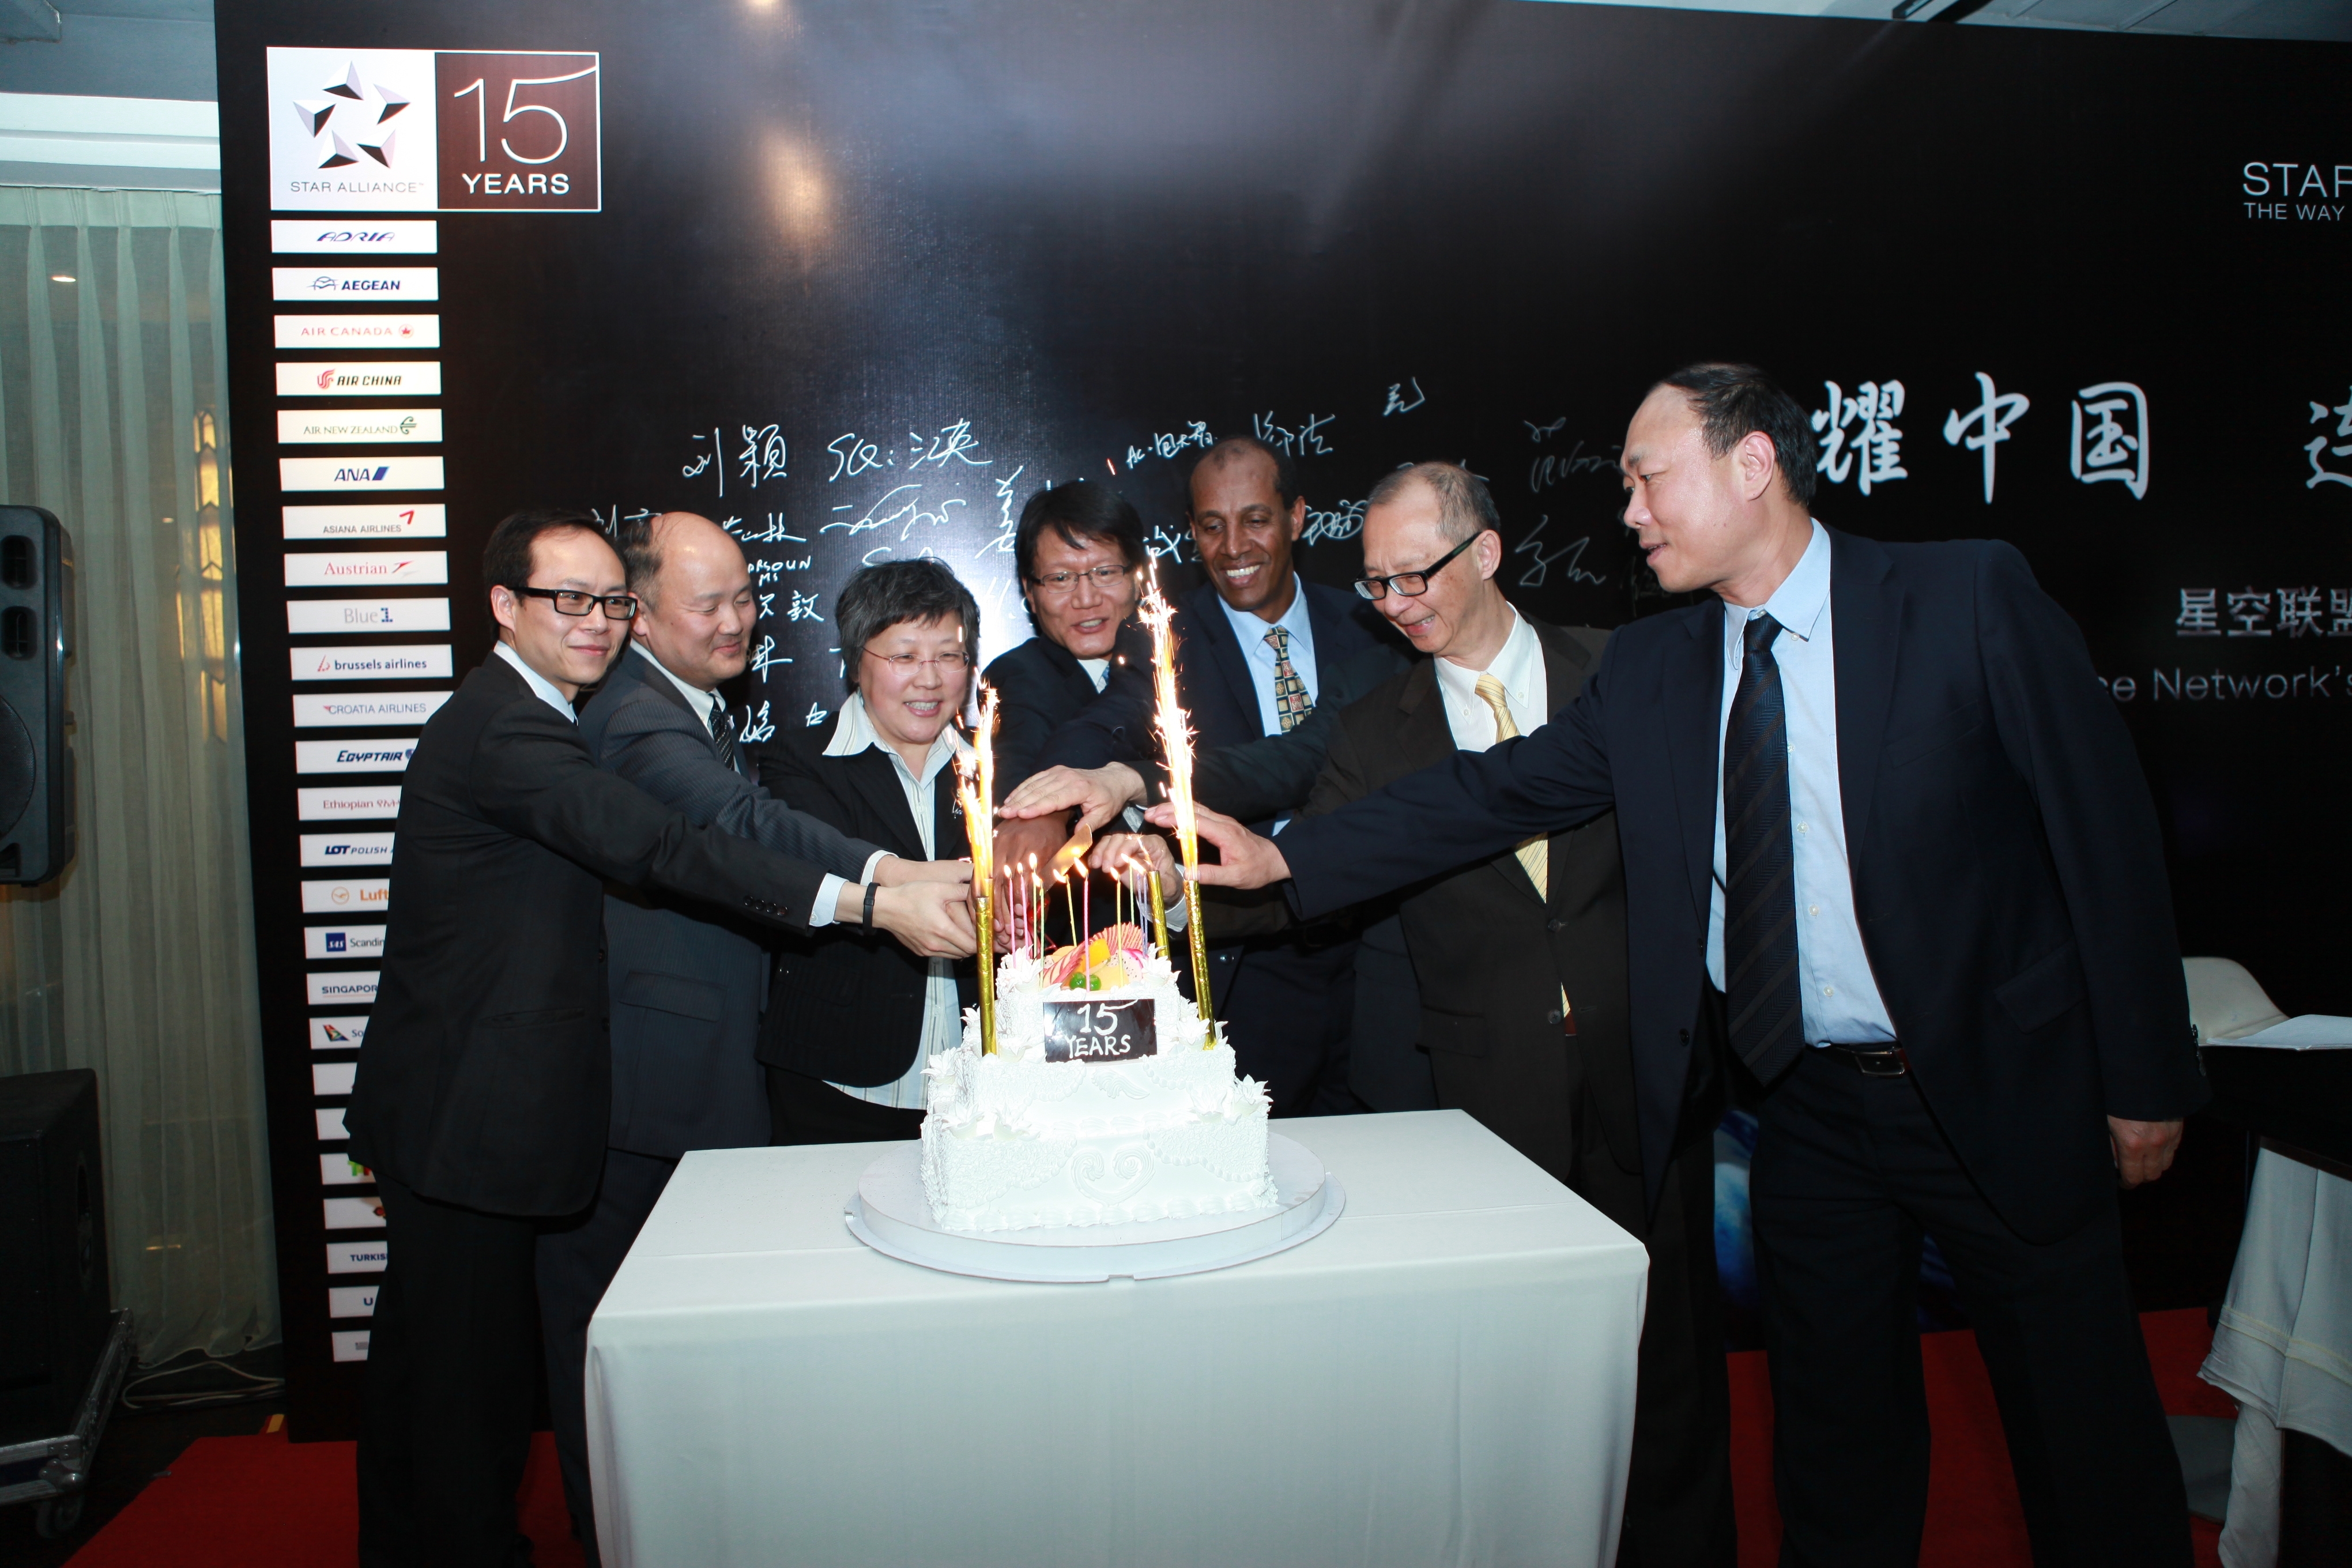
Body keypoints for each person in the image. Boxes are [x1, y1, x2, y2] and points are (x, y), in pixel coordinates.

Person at [1169, 366, 2206, 1567]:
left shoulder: (1962, 595)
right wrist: (1287, 861)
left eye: (1648, 479)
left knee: (2084, 1443)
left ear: (1752, 464)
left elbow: (2104, 833)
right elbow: (1489, 794)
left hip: (1994, 1086)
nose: (1630, 513)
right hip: (1805, 1111)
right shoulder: (1658, 667)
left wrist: (2145, 1072)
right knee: (1836, 1450)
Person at [1095, 461, 1734, 1564]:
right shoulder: (1374, 730)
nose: (1395, 605)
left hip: (1647, 1076)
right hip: (1489, 1104)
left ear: (1486, 553)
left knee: (1668, 1371)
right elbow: (1303, 876)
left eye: (1414, 577)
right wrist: (1175, 887)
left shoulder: (1622, 671)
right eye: (1376, 586)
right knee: (1510, 1394)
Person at [348, 510, 975, 1568]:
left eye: (608, 600)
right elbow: (672, 843)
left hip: (470, 1103)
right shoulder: (525, 727)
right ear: (504, 606)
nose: (595, 621)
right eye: (570, 600)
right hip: (470, 1108)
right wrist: (875, 895)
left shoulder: (555, 713)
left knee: (429, 1379)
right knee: (466, 1390)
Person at [541, 511, 974, 1563]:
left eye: (744, 597)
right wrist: (887, 885)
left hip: (724, 1075)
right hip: (653, 1086)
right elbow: (740, 830)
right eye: (709, 603)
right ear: (640, 614)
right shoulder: (643, 720)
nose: (736, 619)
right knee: (617, 1340)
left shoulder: (693, 710)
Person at [1032, 435, 1409, 1115]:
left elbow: (1312, 757)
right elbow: (1105, 721)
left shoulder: (1372, 623)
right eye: (1212, 526)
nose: (1234, 546)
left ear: (1296, 516)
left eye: (1255, 520)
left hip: (1381, 953)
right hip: (1250, 958)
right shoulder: (1163, 637)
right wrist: (1049, 798)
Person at [753, 559, 987, 1144]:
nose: (929, 679)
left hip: (983, 1082)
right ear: (857, 661)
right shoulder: (801, 761)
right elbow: (822, 871)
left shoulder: (992, 767)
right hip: (838, 1079)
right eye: (905, 657)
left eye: (949, 656)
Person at [982, 480, 1151, 794]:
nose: (1086, 599)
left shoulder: (1178, 662)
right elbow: (1018, 796)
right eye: (1060, 578)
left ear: (1137, 577)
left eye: (1105, 572)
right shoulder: (1017, 680)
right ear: (1030, 592)